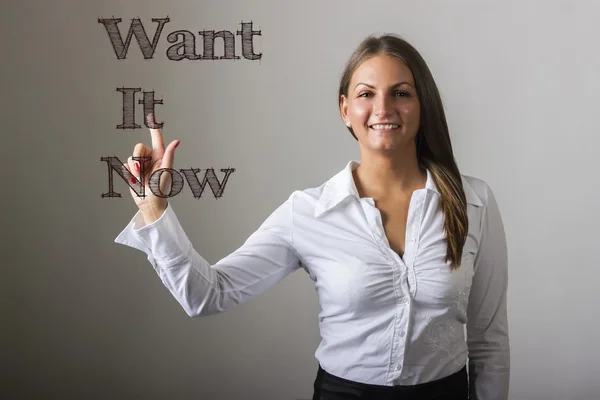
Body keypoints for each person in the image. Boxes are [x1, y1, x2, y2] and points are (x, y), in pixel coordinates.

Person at [115, 33, 510, 400]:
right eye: (366, 94)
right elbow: (209, 294)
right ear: (345, 109)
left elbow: (488, 340)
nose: (383, 108)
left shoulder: (474, 202)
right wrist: (154, 209)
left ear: (422, 105)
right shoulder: (307, 213)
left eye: (401, 93)